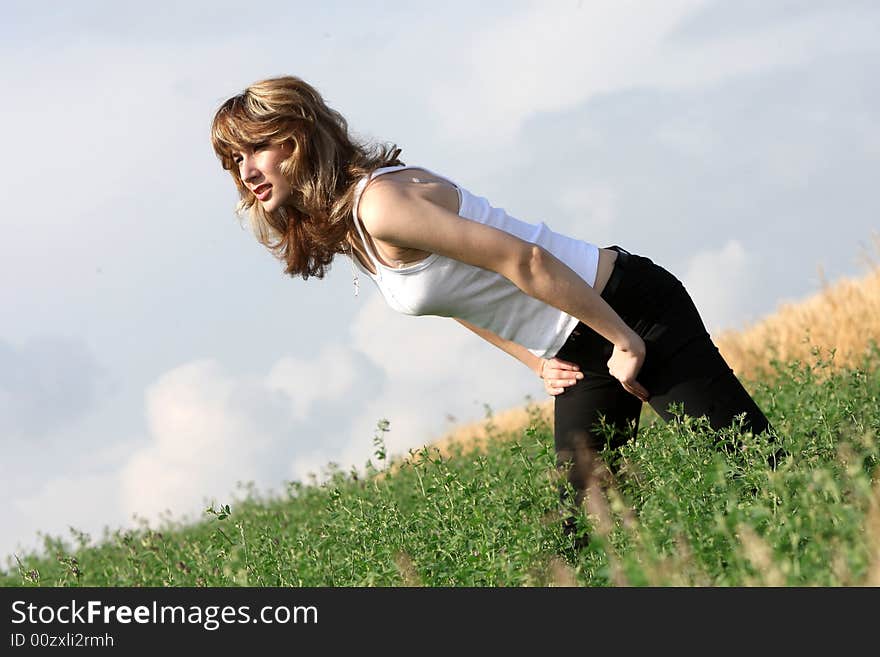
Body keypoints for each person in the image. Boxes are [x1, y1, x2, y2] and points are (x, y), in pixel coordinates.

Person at [210, 75, 775, 550]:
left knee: (759, 472)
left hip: (628, 309)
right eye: (234, 160)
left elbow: (523, 260)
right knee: (575, 536)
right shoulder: (352, 224)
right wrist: (535, 361)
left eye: (256, 149)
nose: (246, 171)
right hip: (577, 349)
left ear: (298, 138)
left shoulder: (381, 204)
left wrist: (624, 341)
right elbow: (453, 295)